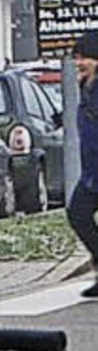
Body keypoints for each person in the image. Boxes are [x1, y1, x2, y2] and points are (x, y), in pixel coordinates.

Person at [66, 29, 98, 297]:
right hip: (92, 172)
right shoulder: (87, 86)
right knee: (78, 213)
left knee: (79, 213)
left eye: (84, 57)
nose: (79, 63)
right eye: (77, 58)